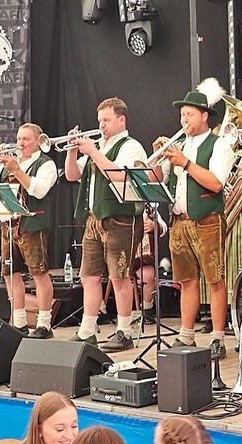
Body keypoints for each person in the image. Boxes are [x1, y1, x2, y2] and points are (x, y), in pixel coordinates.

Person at [151, 78, 234, 358]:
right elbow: (157, 178)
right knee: (186, 281)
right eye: (182, 114)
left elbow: (215, 183)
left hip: (207, 219)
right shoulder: (179, 145)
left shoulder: (219, 144)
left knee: (215, 279)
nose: (184, 119)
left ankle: (218, 338)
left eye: (189, 114)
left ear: (204, 116)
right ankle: (186, 335)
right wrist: (159, 157)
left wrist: (185, 162)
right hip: (179, 221)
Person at [65, 97, 146, 352]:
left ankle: (124, 331)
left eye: (107, 120)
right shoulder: (98, 146)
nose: (102, 126)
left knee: (120, 277)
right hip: (94, 220)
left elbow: (119, 176)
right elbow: (72, 175)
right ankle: (87, 330)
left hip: (120, 219)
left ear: (122, 120)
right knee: (88, 276)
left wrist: (92, 152)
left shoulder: (131, 146)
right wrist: (71, 151)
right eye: (100, 120)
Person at [0, 123, 57, 339]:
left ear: (38, 141)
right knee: (11, 275)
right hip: (8, 225)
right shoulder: (10, 163)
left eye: (26, 139)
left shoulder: (46, 164)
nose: (21, 143)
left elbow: (38, 190)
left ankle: (44, 324)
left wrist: (16, 170)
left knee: (39, 273)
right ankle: (18, 321)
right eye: (19, 139)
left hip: (32, 224)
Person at [131, 205, 166, 322]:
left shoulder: (147, 207)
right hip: (118, 258)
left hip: (141, 258)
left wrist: (154, 226)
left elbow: (164, 228)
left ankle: (146, 309)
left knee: (149, 274)